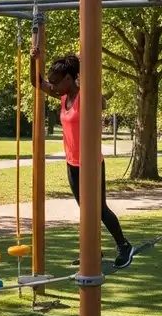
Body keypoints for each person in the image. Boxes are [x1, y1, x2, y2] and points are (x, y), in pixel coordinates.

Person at [30, 49, 135, 269]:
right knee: (86, 211)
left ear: (69, 79)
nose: (54, 87)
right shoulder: (64, 97)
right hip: (72, 163)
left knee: (99, 209)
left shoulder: (85, 96)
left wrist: (85, 67)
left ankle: (124, 246)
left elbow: (100, 101)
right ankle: (92, 252)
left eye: (57, 83)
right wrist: (33, 60)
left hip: (91, 164)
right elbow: (37, 82)